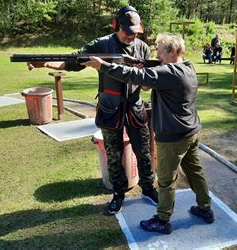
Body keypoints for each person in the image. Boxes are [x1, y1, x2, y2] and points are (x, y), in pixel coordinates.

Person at [26, 6, 158, 215]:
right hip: (110, 108)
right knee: (113, 156)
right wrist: (44, 63)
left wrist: (146, 80)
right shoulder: (101, 44)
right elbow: (73, 61)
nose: (132, 35)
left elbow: (146, 84)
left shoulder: (142, 47)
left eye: (135, 31)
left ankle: (149, 188)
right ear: (116, 26)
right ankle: (118, 193)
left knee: (143, 152)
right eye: (127, 31)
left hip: (134, 107)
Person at [83, 33, 213, 234]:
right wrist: (145, 68)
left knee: (165, 180)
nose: (157, 56)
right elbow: (148, 82)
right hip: (191, 132)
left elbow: (134, 77)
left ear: (172, 51)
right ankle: (205, 209)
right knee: (195, 172)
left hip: (173, 137)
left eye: (160, 52)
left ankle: (162, 219)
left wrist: (103, 65)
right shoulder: (187, 67)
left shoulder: (169, 72)